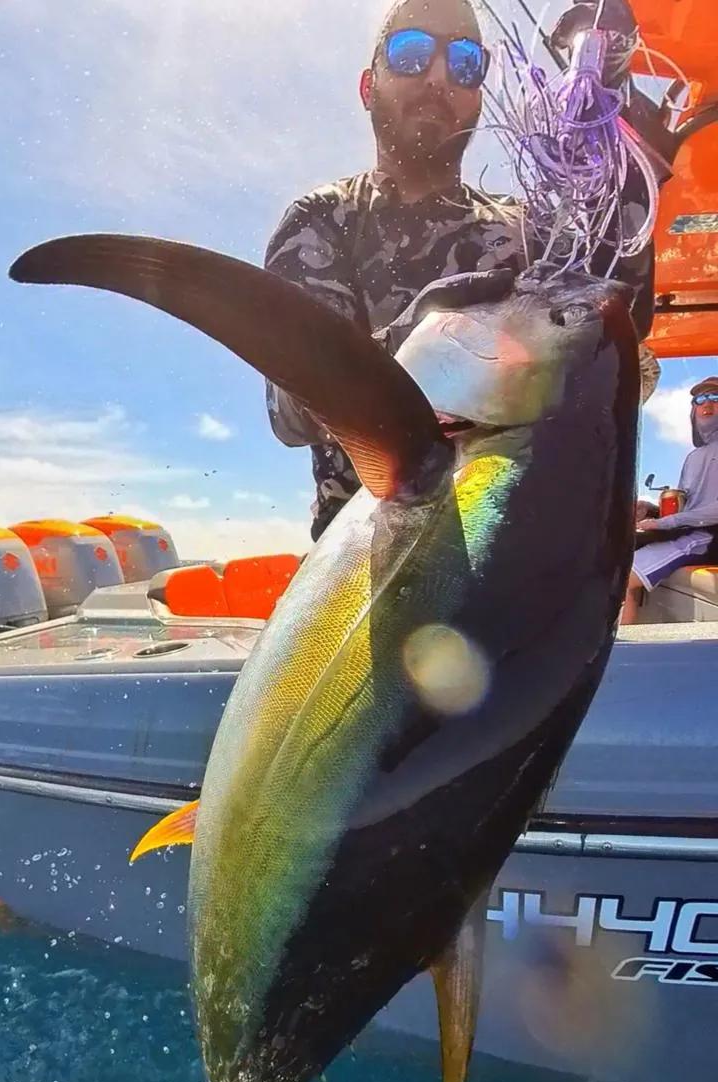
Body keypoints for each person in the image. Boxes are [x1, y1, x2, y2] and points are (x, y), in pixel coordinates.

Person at [265, 0, 660, 541]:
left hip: (517, 556)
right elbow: (291, 409)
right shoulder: (324, 218)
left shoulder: (530, 229)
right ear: (367, 86)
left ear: (478, 94)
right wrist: (432, 338)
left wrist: (623, 140)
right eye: (411, 53)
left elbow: (620, 324)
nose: (437, 77)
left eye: (466, 62)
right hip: (369, 569)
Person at [622, 376, 718, 623]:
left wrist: (664, 524)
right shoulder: (693, 457)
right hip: (689, 533)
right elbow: (689, 507)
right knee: (613, 556)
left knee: (623, 577)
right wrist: (652, 511)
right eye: (700, 399)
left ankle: (624, 658)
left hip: (708, 537)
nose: (707, 403)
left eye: (715, 397)